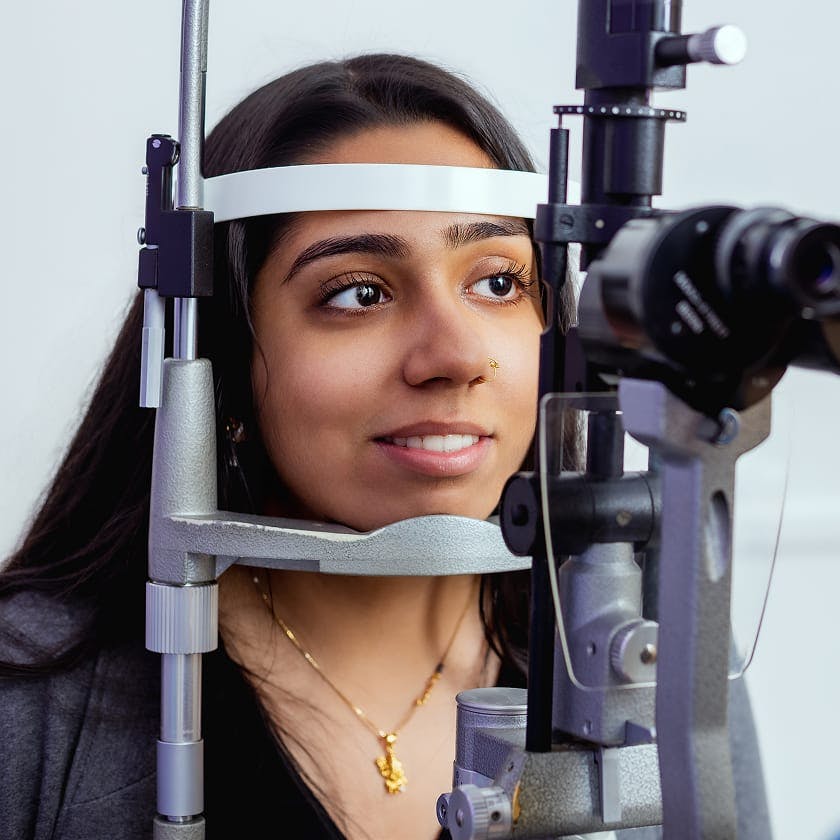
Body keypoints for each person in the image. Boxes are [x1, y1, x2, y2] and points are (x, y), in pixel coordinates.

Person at [0, 54, 767, 840]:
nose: (456, 356)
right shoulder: (29, 696)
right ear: (221, 365)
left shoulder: (645, 630)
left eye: (498, 282)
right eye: (359, 293)